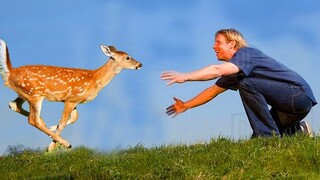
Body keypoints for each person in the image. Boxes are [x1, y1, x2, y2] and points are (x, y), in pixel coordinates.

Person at [161, 28, 317, 138]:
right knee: (256, 140)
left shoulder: (246, 54)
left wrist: (185, 76)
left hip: (298, 95)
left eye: (218, 42)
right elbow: (212, 91)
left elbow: (217, 70)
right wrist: (186, 105)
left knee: (247, 85)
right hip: (290, 108)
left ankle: (268, 138)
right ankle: (296, 130)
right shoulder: (235, 70)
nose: (213, 46)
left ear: (232, 44)